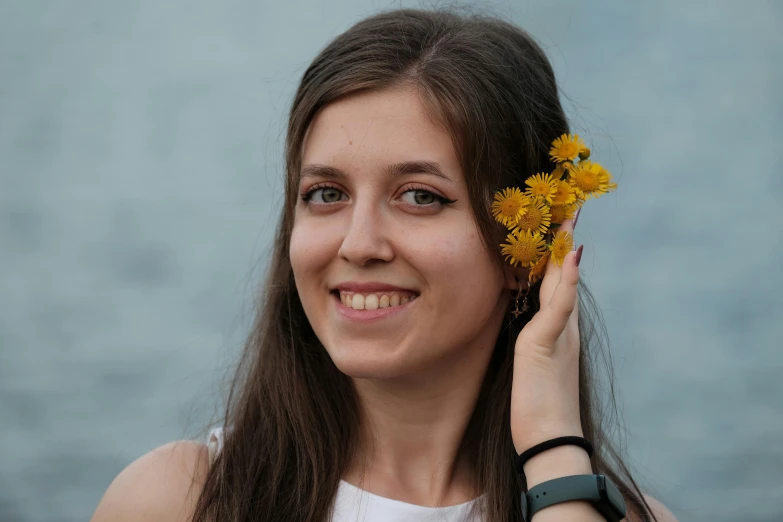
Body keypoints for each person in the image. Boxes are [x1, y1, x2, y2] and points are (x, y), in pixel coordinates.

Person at [91, 8, 679, 522]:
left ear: (528, 246)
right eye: (326, 193)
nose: (358, 243)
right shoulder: (179, 501)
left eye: (420, 196)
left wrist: (553, 448)